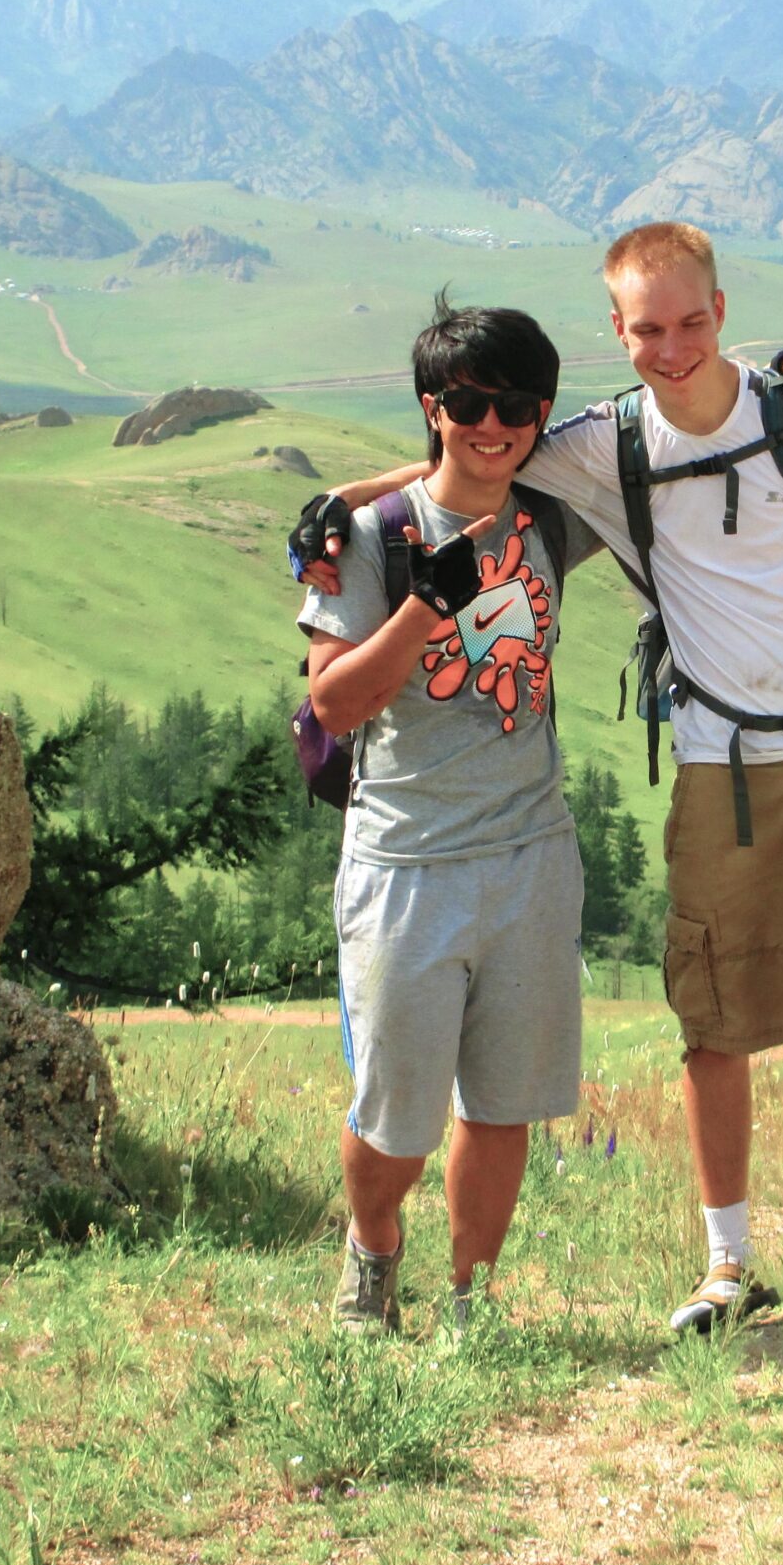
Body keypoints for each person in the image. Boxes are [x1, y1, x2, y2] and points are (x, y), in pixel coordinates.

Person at [295, 224, 783, 1333]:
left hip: (744, 779)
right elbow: (459, 489)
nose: (672, 346)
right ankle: (691, 1261)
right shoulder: (511, 484)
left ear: (723, 310)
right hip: (584, 801)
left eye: (691, 321)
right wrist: (349, 511)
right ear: (617, 331)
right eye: (647, 328)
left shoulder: (757, 435)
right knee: (677, 1037)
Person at [296, 295, 603, 1335]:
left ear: (541, 408)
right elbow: (331, 702)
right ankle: (372, 1252)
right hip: (406, 860)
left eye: (515, 402)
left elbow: (669, 434)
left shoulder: (553, 519)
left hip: (528, 855)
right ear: (433, 405)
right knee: (397, 1118)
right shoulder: (374, 541)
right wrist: (426, 601)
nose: (492, 422)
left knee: (505, 1106)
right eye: (469, 400)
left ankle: (469, 1302)